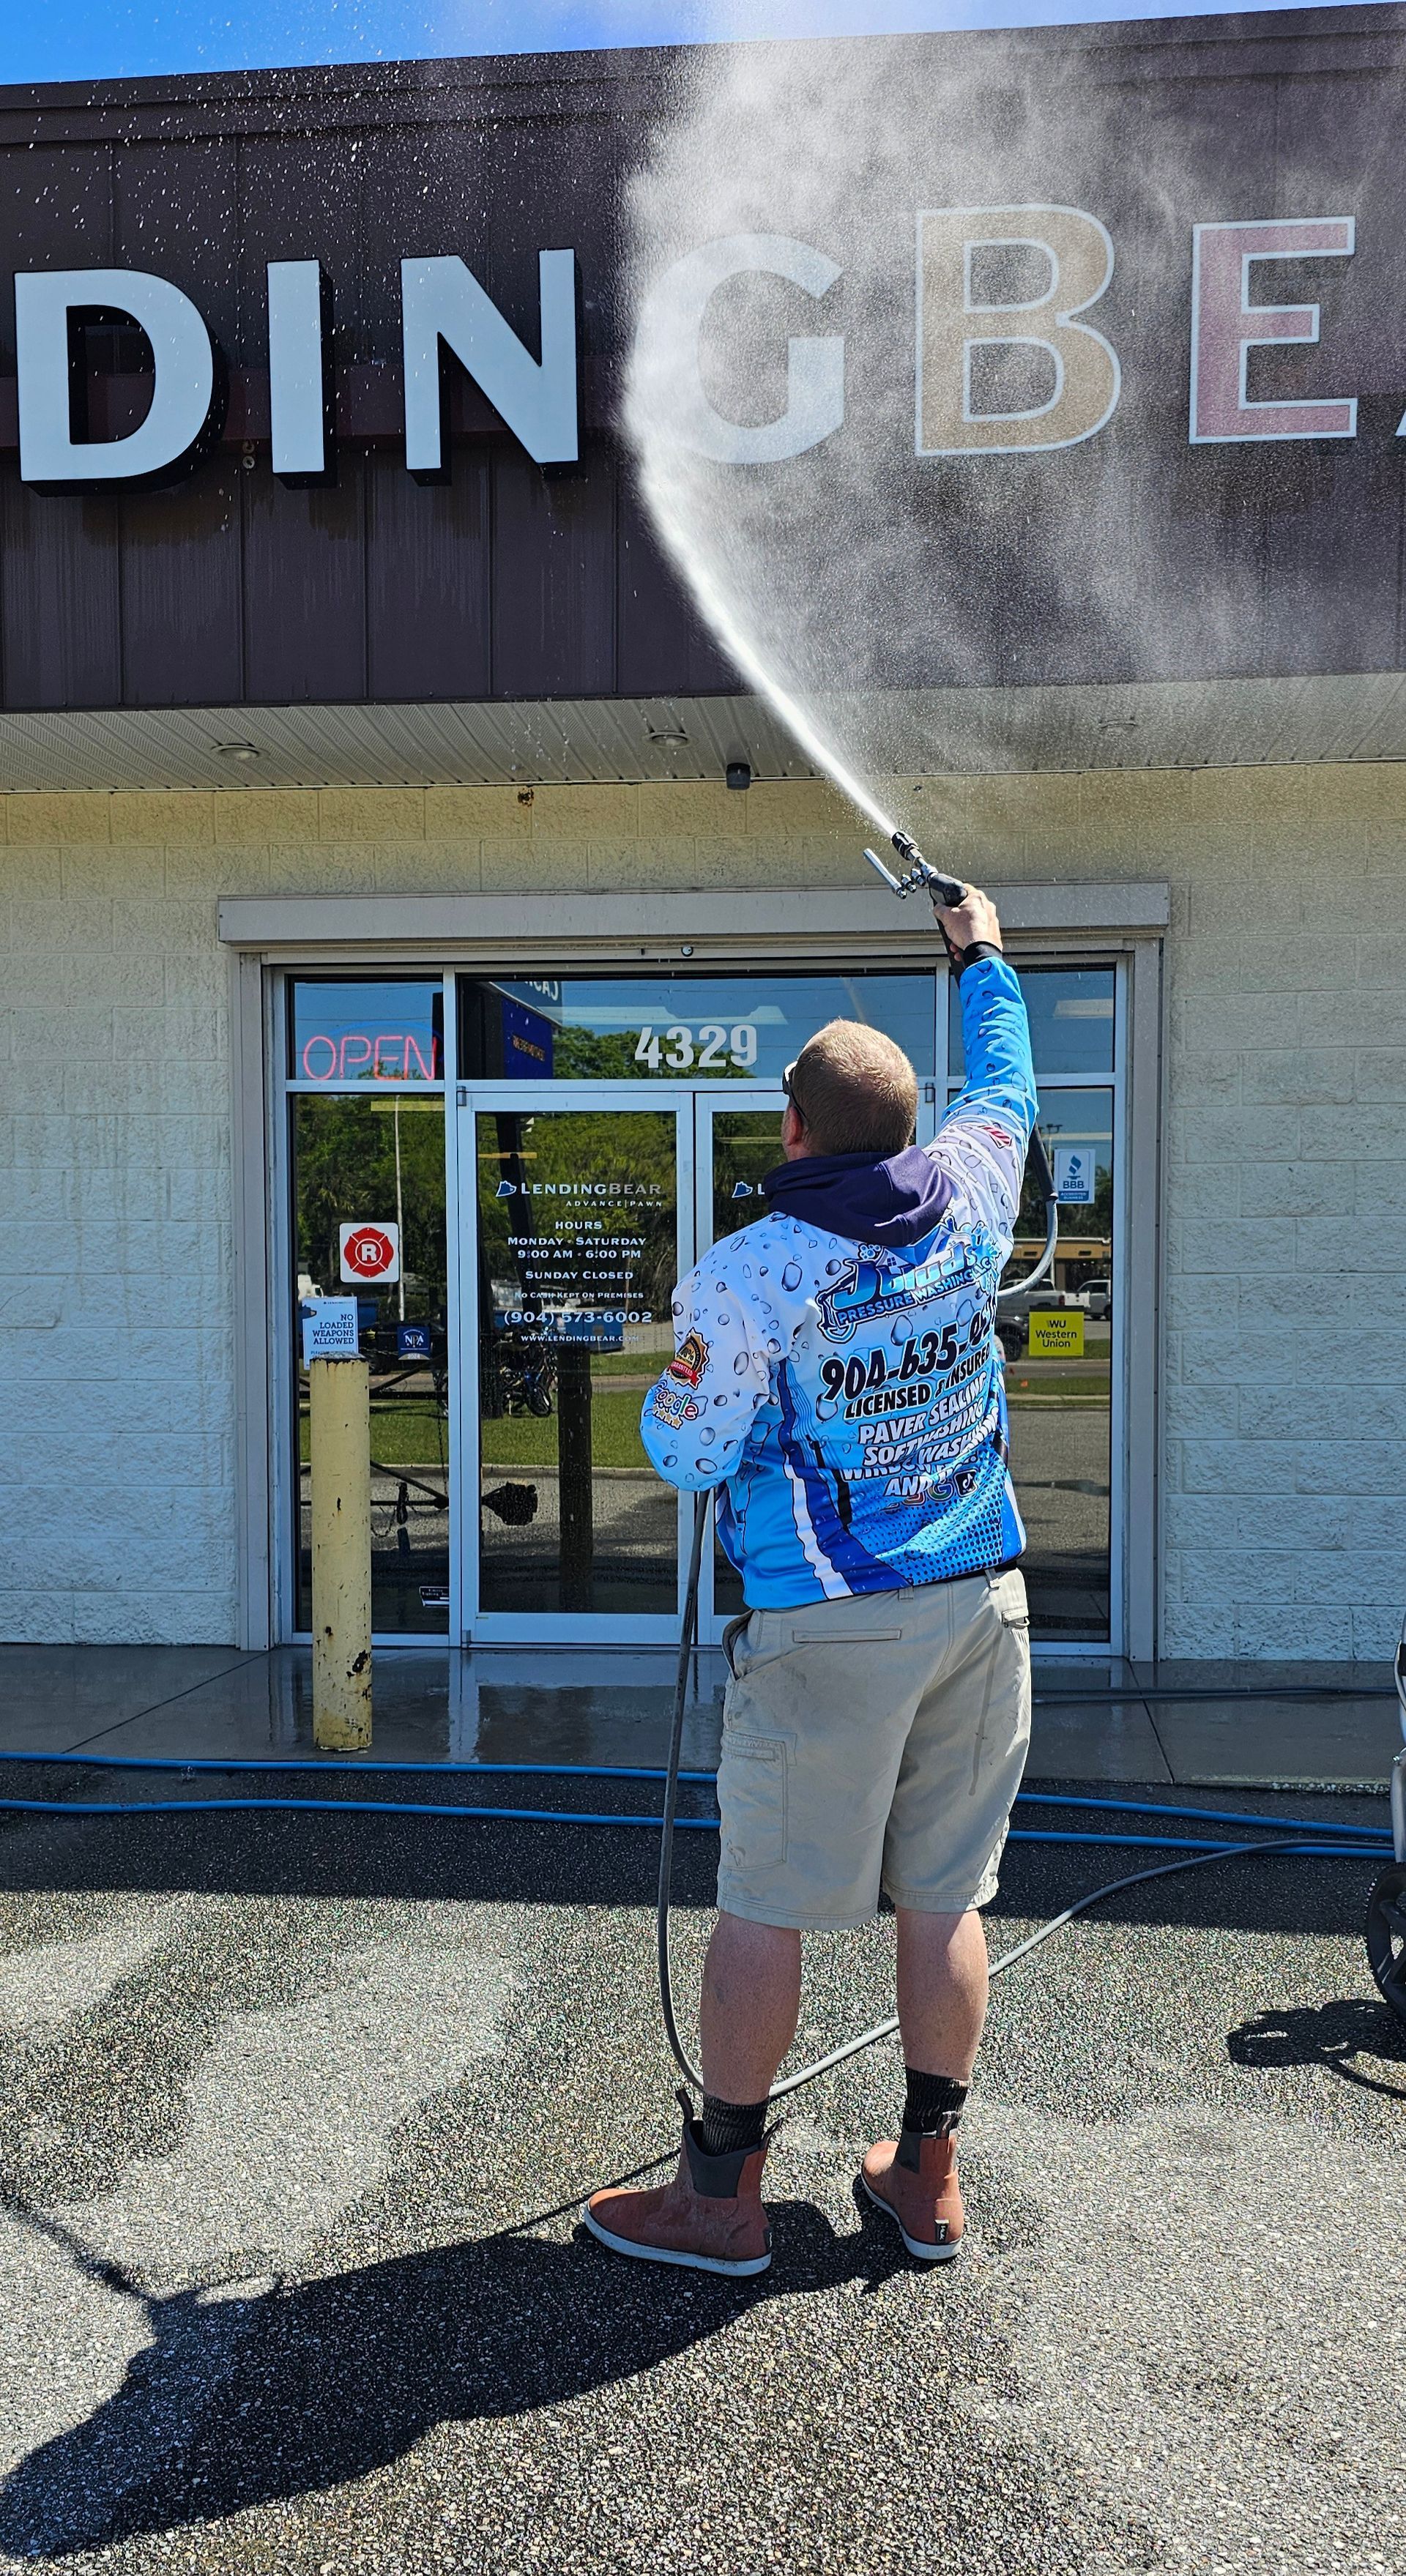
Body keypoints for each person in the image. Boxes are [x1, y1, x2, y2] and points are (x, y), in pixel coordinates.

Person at [584, 884, 1037, 2277]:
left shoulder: (751, 1269)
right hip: (982, 1604)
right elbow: (1010, 1079)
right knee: (945, 1897)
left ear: (791, 1133)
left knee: (766, 1901)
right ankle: (926, 2175)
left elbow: (687, 1443)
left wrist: (669, 1401)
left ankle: (718, 2199)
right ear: (907, 1128)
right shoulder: (969, 1190)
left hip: (826, 1626)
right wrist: (982, 955)